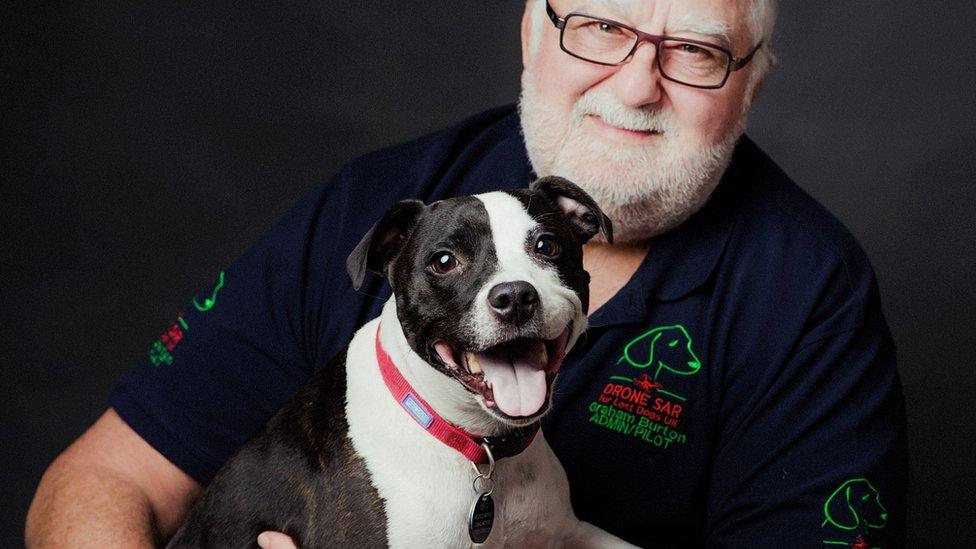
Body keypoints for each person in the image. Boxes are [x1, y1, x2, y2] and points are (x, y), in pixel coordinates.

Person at [26, 0, 908, 547]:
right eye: (599, 24)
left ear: (751, 86)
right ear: (532, 32)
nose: (637, 84)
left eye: (697, 50)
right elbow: (103, 482)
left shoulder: (810, 295)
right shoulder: (379, 203)